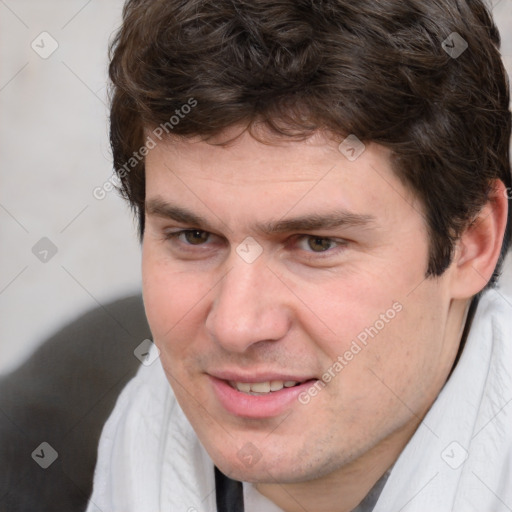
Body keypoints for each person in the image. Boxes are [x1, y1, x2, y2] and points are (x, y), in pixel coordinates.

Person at [86, 0, 512, 511]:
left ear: (472, 243)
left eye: (317, 244)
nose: (236, 325)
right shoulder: (125, 447)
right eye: (194, 236)